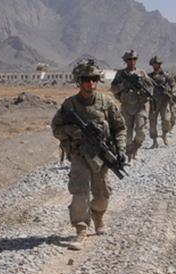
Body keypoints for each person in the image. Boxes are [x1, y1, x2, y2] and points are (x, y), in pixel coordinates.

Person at [51, 59, 126, 250]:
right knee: (79, 192)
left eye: (94, 79)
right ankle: (81, 228)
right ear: (79, 81)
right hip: (79, 155)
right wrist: (76, 133)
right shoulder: (70, 105)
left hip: (100, 157)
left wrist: (121, 149)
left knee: (102, 194)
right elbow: (56, 129)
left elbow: (119, 128)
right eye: (86, 79)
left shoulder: (106, 103)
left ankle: (98, 217)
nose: (90, 83)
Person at [110, 49, 154, 163]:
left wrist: (144, 90)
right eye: (129, 59)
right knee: (127, 133)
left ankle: (136, 148)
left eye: (134, 59)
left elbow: (151, 87)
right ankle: (129, 154)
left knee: (141, 131)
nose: (132, 61)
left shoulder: (142, 73)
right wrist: (124, 85)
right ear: (126, 61)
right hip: (126, 106)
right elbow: (113, 89)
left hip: (140, 106)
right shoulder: (120, 74)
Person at [148, 56, 172, 147]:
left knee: (166, 120)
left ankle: (164, 135)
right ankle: (154, 141)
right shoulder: (149, 76)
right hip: (153, 101)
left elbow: (173, 85)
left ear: (160, 64)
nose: (155, 65)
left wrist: (171, 93)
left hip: (164, 101)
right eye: (154, 64)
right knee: (152, 121)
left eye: (157, 64)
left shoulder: (166, 75)